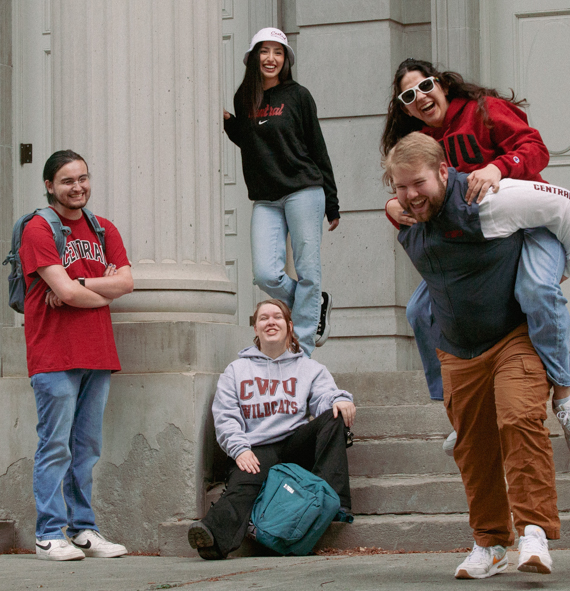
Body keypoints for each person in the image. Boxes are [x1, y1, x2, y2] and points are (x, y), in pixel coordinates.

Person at [386, 132, 570, 579]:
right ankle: (490, 544)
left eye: (417, 183)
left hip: (513, 335)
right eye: (399, 187)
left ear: (443, 171)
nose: (409, 196)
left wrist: (566, 268)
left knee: (518, 420)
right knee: (473, 449)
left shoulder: (490, 198)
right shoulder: (404, 212)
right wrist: (396, 205)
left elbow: (564, 203)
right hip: (457, 347)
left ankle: (533, 532)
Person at [380, 59, 570, 459]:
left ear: (441, 84)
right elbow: (419, 201)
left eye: (425, 86)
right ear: (405, 107)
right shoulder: (423, 143)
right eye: (408, 96)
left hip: (529, 221)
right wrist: (393, 205)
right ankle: (458, 413)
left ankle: (564, 395)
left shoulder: (484, 110)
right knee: (419, 311)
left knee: (536, 290)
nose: (420, 97)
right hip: (481, 242)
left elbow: (536, 149)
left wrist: (499, 167)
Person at [20, 150, 134, 561]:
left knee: (85, 448)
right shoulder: (38, 229)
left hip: (97, 353)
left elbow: (125, 283)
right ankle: (49, 533)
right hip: (54, 355)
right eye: (68, 180)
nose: (78, 186)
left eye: (83, 178)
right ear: (50, 185)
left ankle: (83, 529)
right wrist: (93, 288)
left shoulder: (104, 229)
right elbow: (63, 293)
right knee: (55, 446)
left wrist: (80, 281)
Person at [187, 299, 355, 560]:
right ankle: (211, 538)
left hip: (295, 445)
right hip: (256, 449)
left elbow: (324, 396)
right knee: (244, 484)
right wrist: (239, 449)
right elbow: (225, 416)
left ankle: (333, 502)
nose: (270, 322)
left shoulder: (308, 368)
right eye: (263, 318)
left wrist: (339, 399)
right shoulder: (237, 370)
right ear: (256, 328)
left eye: (277, 317)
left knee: (334, 416)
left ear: (289, 327)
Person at [223, 27, 339, 357]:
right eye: (264, 51)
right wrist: (226, 122)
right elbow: (252, 140)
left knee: (308, 271)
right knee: (265, 274)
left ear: (285, 59)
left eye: (278, 52)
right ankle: (315, 302)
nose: (271, 58)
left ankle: (300, 351)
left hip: (304, 189)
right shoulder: (244, 98)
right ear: (254, 56)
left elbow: (318, 147)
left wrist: (332, 202)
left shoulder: (298, 95)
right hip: (267, 197)